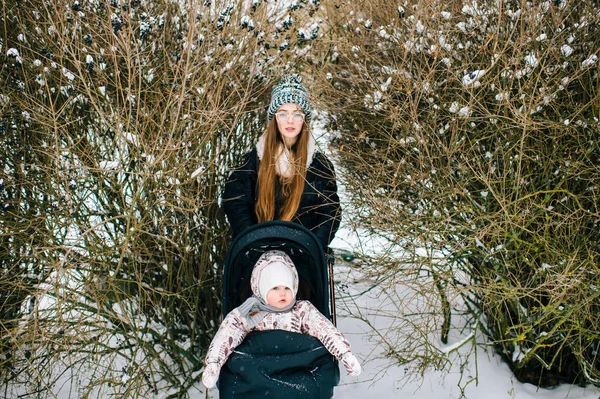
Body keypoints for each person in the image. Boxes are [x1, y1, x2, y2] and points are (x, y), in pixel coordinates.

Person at [201, 250, 361, 390]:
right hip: (257, 371)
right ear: (262, 289)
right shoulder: (249, 312)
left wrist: (345, 354)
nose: (282, 293)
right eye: (275, 288)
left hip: (297, 369)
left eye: (287, 288)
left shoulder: (302, 310)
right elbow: (226, 335)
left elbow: (325, 329)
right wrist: (214, 363)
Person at [222, 74, 341, 252]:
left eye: (297, 114)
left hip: (302, 255)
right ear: (274, 118)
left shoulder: (319, 166)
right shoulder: (254, 161)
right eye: (283, 113)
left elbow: (330, 213)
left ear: (304, 119)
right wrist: (252, 239)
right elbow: (235, 202)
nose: (290, 120)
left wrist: (309, 246)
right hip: (258, 251)